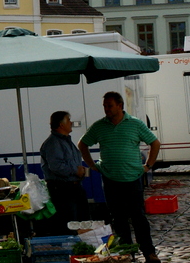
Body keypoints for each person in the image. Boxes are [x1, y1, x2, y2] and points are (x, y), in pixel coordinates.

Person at [78, 92, 161, 263]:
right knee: (119, 219)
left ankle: (149, 252)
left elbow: (155, 143)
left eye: (109, 105)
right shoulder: (100, 126)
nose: (106, 109)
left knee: (138, 218)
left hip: (132, 179)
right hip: (111, 180)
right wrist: (93, 165)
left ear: (120, 106)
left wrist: (148, 165)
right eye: (105, 106)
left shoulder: (135, 124)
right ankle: (126, 253)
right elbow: (82, 144)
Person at [40, 111, 90, 234]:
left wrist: (80, 171)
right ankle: (72, 246)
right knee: (70, 223)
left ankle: (84, 246)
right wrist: (75, 170)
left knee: (82, 221)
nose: (71, 123)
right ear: (61, 125)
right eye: (68, 120)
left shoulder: (66, 141)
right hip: (62, 189)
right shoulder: (53, 143)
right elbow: (56, 166)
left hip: (74, 187)